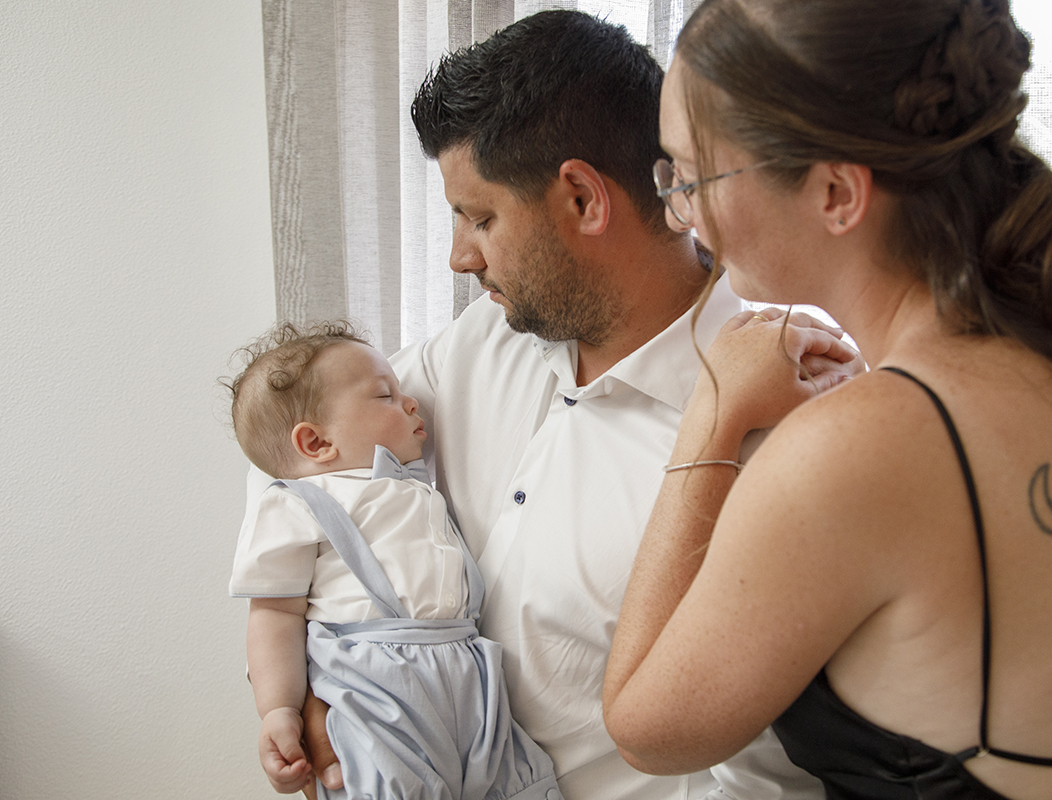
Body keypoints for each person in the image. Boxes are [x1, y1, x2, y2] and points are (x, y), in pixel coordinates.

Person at [238, 10, 863, 800]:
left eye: (480, 217)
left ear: (581, 198)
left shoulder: (785, 425)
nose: (462, 257)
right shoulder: (482, 343)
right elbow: (294, 452)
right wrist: (318, 678)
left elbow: (768, 778)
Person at [602, 1, 1052, 799]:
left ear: (837, 193)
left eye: (693, 176)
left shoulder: (863, 445)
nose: (684, 212)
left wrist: (714, 408)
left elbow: (646, 728)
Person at [227, 321, 562, 800]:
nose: (412, 403)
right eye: (386, 396)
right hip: (373, 680)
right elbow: (275, 614)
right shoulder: (298, 503)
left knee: (515, 781)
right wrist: (279, 708)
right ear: (316, 443)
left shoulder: (415, 486)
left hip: (470, 670)